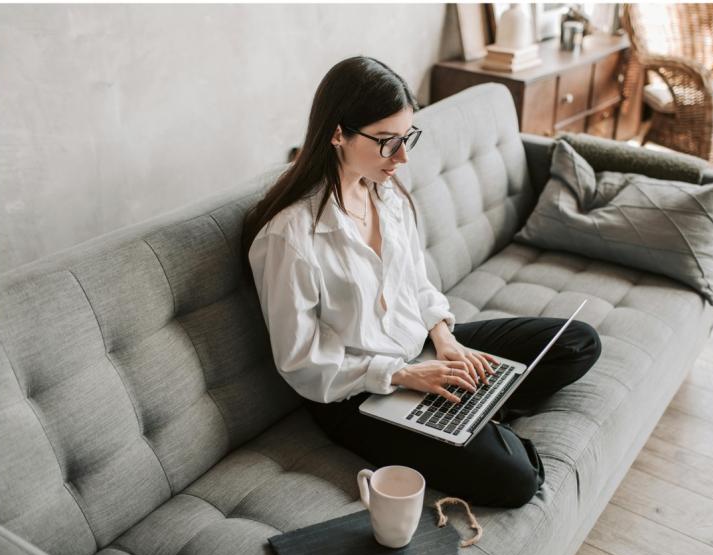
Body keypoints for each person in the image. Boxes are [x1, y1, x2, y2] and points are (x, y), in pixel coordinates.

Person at [242, 56, 601, 508]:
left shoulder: (385, 193)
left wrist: (446, 340)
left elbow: (417, 283)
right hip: (357, 393)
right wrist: (404, 375)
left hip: (421, 351)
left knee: (578, 342)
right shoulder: (289, 237)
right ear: (337, 134)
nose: (403, 157)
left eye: (407, 137)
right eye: (388, 142)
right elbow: (301, 362)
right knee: (517, 480)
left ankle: (470, 408)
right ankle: (474, 415)